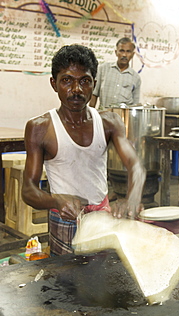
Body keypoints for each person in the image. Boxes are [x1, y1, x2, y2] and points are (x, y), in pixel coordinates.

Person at [22, 44, 146, 255]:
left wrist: (132, 198)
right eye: (67, 80)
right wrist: (56, 199)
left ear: (94, 84)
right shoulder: (41, 128)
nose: (76, 89)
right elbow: (28, 190)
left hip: (102, 218)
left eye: (85, 81)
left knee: (103, 279)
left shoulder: (109, 122)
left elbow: (135, 166)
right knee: (64, 283)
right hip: (64, 220)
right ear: (54, 83)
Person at [89, 37, 141, 109]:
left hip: (123, 118)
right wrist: (91, 115)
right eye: (121, 51)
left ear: (133, 54)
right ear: (116, 52)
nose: (124, 55)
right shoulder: (103, 69)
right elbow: (94, 94)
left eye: (128, 51)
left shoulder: (135, 77)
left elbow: (135, 105)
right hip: (103, 115)